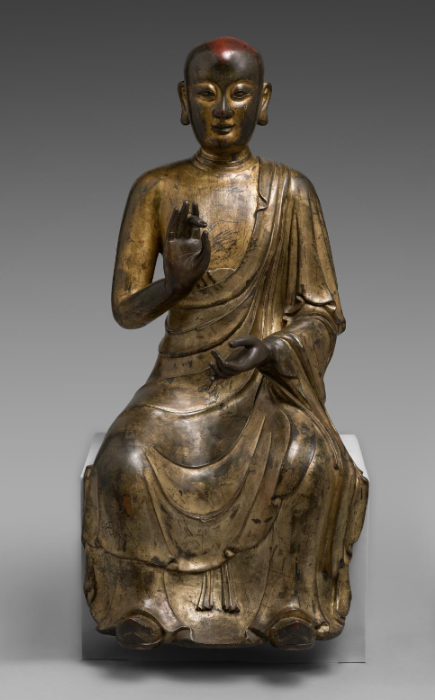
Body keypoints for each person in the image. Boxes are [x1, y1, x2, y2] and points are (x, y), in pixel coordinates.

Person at [82, 36, 368, 651]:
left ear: (263, 102)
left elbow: (322, 312)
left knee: (311, 460)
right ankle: (145, 600)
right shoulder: (156, 188)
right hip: (180, 384)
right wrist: (177, 283)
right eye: (206, 93)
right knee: (123, 460)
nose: (221, 109)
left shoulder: (291, 193)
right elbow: (126, 310)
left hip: (261, 385)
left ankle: (289, 601)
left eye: (239, 94)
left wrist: (272, 349)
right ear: (183, 100)